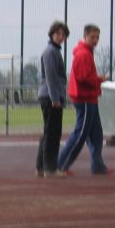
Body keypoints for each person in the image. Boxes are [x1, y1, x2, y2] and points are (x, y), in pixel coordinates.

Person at [57, 23, 111, 175]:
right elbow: (83, 78)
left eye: (97, 37)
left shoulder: (86, 53)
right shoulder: (83, 55)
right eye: (93, 37)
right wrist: (100, 79)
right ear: (85, 36)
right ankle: (61, 165)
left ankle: (98, 166)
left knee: (96, 134)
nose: (96, 40)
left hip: (90, 98)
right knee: (80, 134)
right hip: (85, 99)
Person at [35, 20, 68, 178]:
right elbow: (51, 77)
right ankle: (50, 169)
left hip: (50, 95)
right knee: (53, 134)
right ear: (51, 34)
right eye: (58, 33)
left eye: (63, 34)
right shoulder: (50, 52)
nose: (61, 37)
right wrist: (55, 99)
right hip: (50, 97)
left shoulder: (54, 51)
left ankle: (41, 167)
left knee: (49, 132)